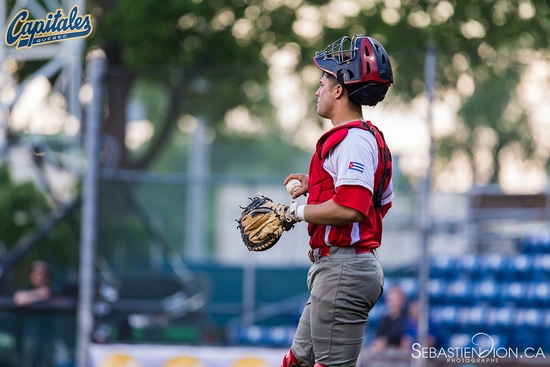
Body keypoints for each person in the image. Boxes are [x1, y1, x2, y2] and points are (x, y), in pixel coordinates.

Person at [281, 34, 394, 367]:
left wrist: (296, 213)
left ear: (339, 90)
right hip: (338, 266)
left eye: (323, 81)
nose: (317, 90)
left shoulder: (355, 141)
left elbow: (352, 207)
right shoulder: (362, 137)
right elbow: (378, 201)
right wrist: (316, 188)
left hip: (345, 267)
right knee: (297, 362)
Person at [13, 260, 57, 367]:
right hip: (31, 336)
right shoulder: (26, 289)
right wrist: (39, 294)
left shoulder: (54, 289)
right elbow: (19, 299)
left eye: (42, 273)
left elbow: (59, 300)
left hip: (49, 336)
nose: (39, 277)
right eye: (36, 273)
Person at [370, 285, 408, 352]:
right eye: (392, 300)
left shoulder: (407, 317)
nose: (394, 303)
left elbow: (400, 335)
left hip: (399, 350)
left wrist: (385, 340)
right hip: (384, 351)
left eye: (397, 300)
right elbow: (378, 335)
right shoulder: (385, 318)